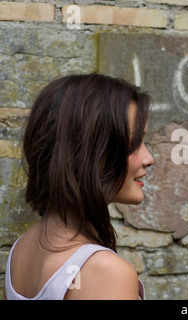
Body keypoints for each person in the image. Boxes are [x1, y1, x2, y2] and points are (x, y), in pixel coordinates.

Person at [2, 74, 154, 300]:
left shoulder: (21, 250)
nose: (148, 158)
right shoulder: (106, 273)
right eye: (133, 144)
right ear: (88, 153)